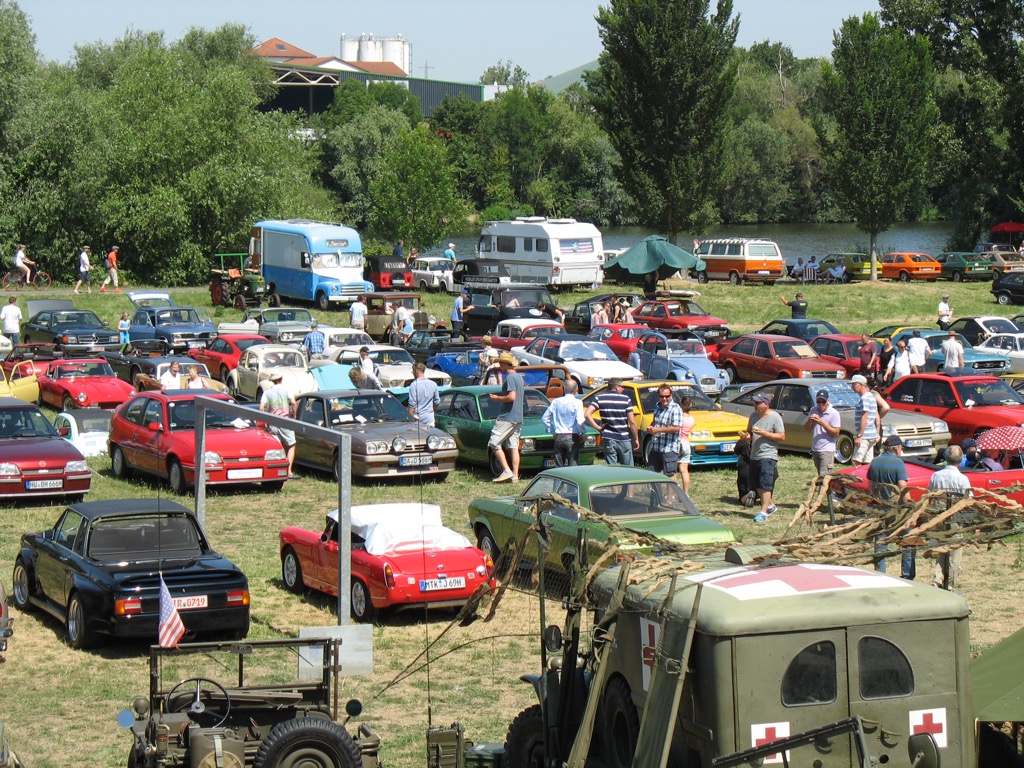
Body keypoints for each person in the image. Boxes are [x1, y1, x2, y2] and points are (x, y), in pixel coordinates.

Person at [867, 435, 913, 577]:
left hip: (879, 508)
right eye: (901, 448)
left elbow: (870, 485)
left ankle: (880, 575)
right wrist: (910, 508)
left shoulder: (875, 461)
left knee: (880, 544)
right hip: (896, 509)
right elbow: (902, 486)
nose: (901, 451)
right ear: (897, 448)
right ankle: (907, 575)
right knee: (907, 542)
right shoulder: (898, 463)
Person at [928, 445, 972, 591]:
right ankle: (950, 585)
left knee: (940, 550)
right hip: (955, 518)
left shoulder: (936, 476)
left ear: (946, 458)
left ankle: (937, 580)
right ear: (960, 460)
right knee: (955, 553)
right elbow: (968, 501)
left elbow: (930, 496)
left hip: (939, 517)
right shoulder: (962, 479)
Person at [740, 392, 786, 522]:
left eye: (757, 403)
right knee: (757, 483)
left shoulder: (775, 417)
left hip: (768, 455)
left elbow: (782, 436)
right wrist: (747, 436)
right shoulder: (753, 416)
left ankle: (763, 512)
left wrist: (764, 433)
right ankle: (770, 506)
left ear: (766, 404)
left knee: (765, 484)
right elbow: (750, 432)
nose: (755, 405)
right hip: (755, 455)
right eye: (754, 402)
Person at [584, 378, 639, 466]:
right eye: (622, 387)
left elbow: (587, 415)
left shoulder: (600, 398)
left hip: (608, 438)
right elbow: (632, 422)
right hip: (623, 438)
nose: (623, 389)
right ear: (617, 387)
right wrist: (636, 438)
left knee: (611, 468)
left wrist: (598, 427)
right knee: (629, 469)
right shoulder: (626, 399)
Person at [488, 352, 525, 482]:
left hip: (508, 416)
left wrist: (496, 398)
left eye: (500, 363)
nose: (499, 366)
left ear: (504, 363)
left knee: (493, 442)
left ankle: (506, 470)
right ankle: (515, 476)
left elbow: (511, 397)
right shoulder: (519, 377)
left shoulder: (510, 378)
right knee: (513, 446)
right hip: (518, 417)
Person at [259, 370, 297, 474]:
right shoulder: (287, 390)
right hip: (285, 420)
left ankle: (276, 470)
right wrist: (294, 415)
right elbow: (293, 402)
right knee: (291, 445)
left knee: (277, 446)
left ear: (273, 381)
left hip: (273, 422)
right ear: (281, 379)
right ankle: (288, 470)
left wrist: (265, 419)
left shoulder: (267, 392)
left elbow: (261, 408)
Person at [541, 378, 585, 466]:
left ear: (564, 389)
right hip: (572, 436)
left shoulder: (556, 401)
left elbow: (544, 418)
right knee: (573, 464)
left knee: (559, 466)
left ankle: (558, 480)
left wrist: (552, 430)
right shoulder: (577, 402)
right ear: (576, 389)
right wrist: (583, 433)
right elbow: (580, 420)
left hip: (559, 435)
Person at [646, 385, 683, 478]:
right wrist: (651, 427)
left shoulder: (675, 408)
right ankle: (656, 493)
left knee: (670, 475)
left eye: (667, 396)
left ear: (671, 395)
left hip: (669, 448)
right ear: (658, 396)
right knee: (652, 474)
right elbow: (655, 421)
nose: (664, 399)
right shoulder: (657, 406)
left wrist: (658, 430)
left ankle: (671, 493)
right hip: (655, 446)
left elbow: (676, 428)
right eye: (662, 396)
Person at [805, 388, 841, 477]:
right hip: (815, 449)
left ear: (828, 401)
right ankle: (828, 491)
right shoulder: (813, 410)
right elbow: (807, 429)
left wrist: (822, 423)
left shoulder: (834, 413)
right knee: (820, 475)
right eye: (818, 401)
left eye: (823, 402)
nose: (821, 404)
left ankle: (826, 491)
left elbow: (836, 432)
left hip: (827, 449)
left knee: (824, 477)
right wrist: (810, 421)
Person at [851, 374, 880, 465]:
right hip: (872, 435)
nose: (852, 387)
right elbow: (877, 417)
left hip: (865, 436)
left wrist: (859, 436)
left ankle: (857, 478)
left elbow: (864, 416)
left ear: (861, 384)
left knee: (856, 461)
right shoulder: (872, 396)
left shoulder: (864, 398)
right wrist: (877, 433)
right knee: (868, 462)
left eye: (854, 384)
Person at [407, 362, 440, 428]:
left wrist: (409, 419)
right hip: (429, 418)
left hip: (418, 419)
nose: (412, 373)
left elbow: (412, 404)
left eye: (412, 371)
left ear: (416, 372)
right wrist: (431, 410)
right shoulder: (433, 384)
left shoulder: (414, 385)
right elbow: (437, 401)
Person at [676, 396, 696, 493]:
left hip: (678, 443)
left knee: (672, 471)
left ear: (682, 405)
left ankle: (672, 493)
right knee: (684, 471)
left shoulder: (680, 417)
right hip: (686, 443)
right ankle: (686, 493)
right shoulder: (692, 419)